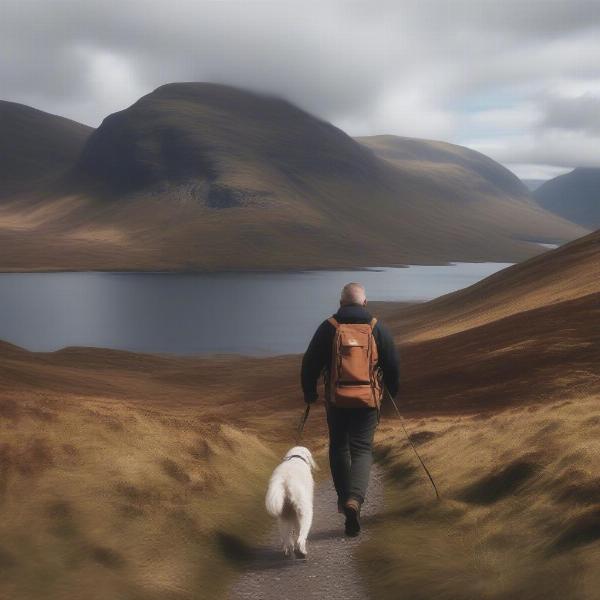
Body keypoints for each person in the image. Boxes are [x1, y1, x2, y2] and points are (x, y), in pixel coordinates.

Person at [301, 282, 400, 536]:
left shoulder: (329, 328)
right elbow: (392, 364)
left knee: (339, 447)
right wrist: (391, 392)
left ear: (341, 303)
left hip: (337, 400)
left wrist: (310, 392)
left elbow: (310, 362)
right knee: (362, 449)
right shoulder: (377, 328)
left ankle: (344, 500)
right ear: (365, 303)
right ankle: (355, 500)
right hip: (367, 401)